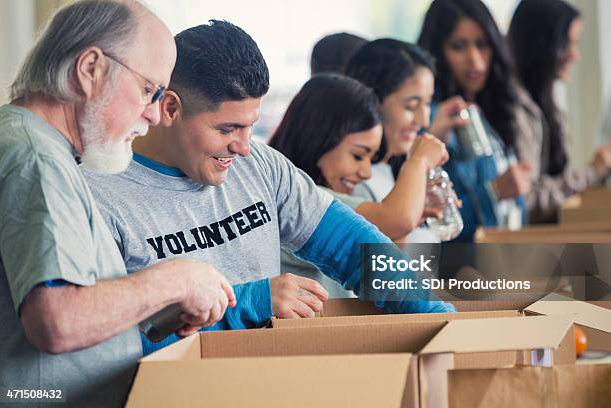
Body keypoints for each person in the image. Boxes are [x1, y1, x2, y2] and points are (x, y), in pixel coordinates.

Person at [84, 20, 456, 352]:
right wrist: (253, 302)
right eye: (227, 129)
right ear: (169, 108)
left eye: (249, 125)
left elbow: (354, 248)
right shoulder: (102, 196)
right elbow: (113, 344)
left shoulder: (259, 165)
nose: (243, 147)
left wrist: (441, 317)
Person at [0, 1, 236, 407]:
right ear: (91, 68)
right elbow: (57, 321)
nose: (155, 114)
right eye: (148, 90)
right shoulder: (36, 158)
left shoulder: (41, 149)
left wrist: (164, 306)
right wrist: (176, 279)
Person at [269, 73, 448, 297]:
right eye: (357, 155)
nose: (366, 172)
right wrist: (418, 160)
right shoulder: (301, 199)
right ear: (318, 138)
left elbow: (388, 255)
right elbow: (396, 220)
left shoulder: (340, 194)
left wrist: (411, 217)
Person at [417, 0, 533, 241]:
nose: (475, 60)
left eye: (482, 45)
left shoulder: (493, 110)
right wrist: (494, 192)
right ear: (437, 52)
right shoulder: (430, 123)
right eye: (459, 46)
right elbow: (431, 230)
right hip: (460, 273)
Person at [345, 39, 461, 243]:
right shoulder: (355, 182)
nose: (423, 120)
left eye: (427, 103)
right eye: (411, 106)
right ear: (374, 102)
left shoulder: (392, 172)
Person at [508, 0, 611, 223]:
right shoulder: (516, 109)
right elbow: (529, 201)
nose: (575, 55)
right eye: (567, 44)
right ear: (541, 44)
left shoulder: (543, 103)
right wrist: (592, 172)